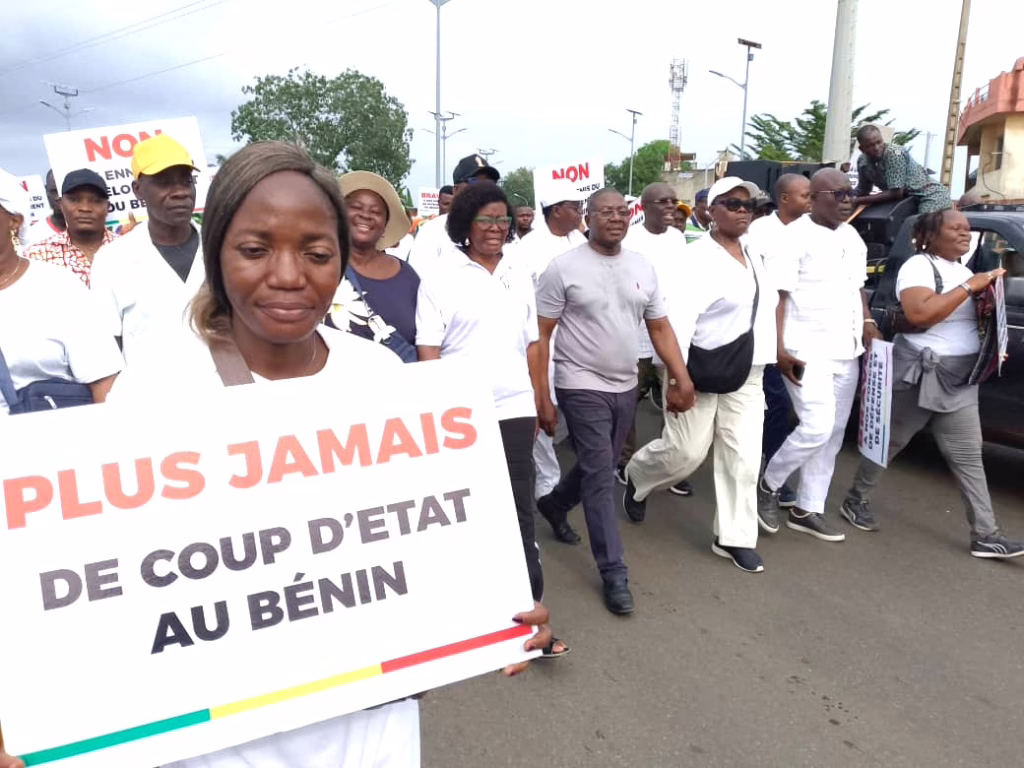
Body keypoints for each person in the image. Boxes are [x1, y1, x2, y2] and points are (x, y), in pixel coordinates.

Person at [0, 141, 554, 768]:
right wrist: (35, 707)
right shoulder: (153, 393)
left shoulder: (382, 377)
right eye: (255, 250)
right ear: (218, 256)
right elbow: (103, 585)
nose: (290, 275)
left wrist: (490, 612)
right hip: (222, 741)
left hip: (372, 727)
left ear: (341, 259)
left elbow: (427, 538)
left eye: (317, 253)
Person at [416, 181, 569, 658]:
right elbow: (429, 352)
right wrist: (440, 415)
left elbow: (533, 344)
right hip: (462, 416)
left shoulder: (517, 273)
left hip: (515, 408)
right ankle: (461, 613)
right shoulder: (441, 277)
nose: (496, 228)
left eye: (503, 220)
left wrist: (542, 398)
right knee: (465, 510)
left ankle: (529, 617)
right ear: (465, 224)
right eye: (485, 220)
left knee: (518, 511)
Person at [535, 187, 694, 615]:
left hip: (625, 384)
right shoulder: (562, 269)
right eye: (606, 211)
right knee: (602, 475)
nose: (616, 218)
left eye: (623, 211)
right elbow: (542, 336)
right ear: (588, 217)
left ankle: (552, 504)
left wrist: (681, 377)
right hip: (579, 381)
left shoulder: (642, 265)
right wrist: (542, 396)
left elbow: (659, 328)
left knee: (597, 464)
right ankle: (613, 571)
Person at [839, 210, 1024, 557]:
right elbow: (921, 314)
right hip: (922, 374)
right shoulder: (920, 267)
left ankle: (986, 534)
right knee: (890, 443)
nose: (965, 234)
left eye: (967, 229)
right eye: (955, 228)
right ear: (930, 236)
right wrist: (972, 287)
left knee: (969, 456)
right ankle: (855, 499)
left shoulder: (963, 270)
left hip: (960, 380)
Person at [623, 178, 776, 573]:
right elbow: (677, 324)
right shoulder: (695, 260)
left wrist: (781, 352)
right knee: (686, 453)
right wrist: (678, 379)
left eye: (749, 205)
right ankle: (638, 475)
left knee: (743, 458)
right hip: (699, 370)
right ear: (712, 210)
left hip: (749, 370)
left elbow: (765, 310)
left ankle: (733, 537)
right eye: (733, 204)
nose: (743, 211)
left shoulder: (756, 254)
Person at [758, 168, 879, 541]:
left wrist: (869, 319)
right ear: (814, 197)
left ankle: (807, 507)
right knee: (815, 426)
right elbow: (778, 296)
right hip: (805, 348)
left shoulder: (852, 236)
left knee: (833, 434)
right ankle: (768, 486)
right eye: (839, 194)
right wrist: (778, 349)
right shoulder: (793, 238)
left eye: (850, 194)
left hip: (847, 349)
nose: (847, 201)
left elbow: (858, 286)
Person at [0, 169, 122, 416]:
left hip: (50, 446)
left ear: (15, 220)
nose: (84, 208)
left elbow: (104, 385)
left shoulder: (58, 287)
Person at [90, 134, 205, 366]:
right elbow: (107, 348)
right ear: (138, 189)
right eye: (164, 182)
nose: (181, 191)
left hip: (231, 393)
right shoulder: (112, 260)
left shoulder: (223, 245)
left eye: (186, 181)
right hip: (151, 398)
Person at [615, 182, 692, 497]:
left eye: (674, 201)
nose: (671, 206)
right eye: (664, 201)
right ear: (645, 207)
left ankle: (668, 464)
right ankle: (624, 460)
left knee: (673, 401)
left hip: (672, 331)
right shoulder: (630, 240)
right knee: (629, 400)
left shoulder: (678, 238)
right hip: (637, 335)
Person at [513, 179, 588, 500]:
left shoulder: (580, 241)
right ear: (556, 211)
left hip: (581, 343)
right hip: (543, 341)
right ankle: (547, 488)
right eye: (576, 207)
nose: (581, 213)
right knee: (543, 410)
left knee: (566, 417)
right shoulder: (527, 249)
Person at [746, 173, 812, 515]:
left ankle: (771, 469)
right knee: (776, 403)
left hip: (803, 334)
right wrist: (775, 343)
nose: (811, 199)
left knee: (796, 411)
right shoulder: (760, 232)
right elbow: (759, 287)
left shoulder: (812, 232)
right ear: (785, 198)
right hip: (766, 332)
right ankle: (770, 472)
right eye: (805, 194)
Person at [325, 171, 418, 360]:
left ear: (385, 226)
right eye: (356, 207)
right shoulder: (318, 266)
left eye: (376, 212)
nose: (365, 215)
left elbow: (425, 338)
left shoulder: (407, 276)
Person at [407, 155, 500, 280]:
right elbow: (418, 283)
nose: (484, 189)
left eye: (489, 183)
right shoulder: (432, 231)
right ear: (456, 190)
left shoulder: (503, 230)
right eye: (475, 182)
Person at [25, 169, 113, 287]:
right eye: (74, 200)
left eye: (96, 201)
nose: (85, 208)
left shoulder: (129, 250)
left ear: (107, 207)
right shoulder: (36, 256)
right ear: (61, 204)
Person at [854, 125, 951, 214]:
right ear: (861, 149)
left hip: (929, 195)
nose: (876, 148)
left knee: (921, 226)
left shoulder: (895, 153)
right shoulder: (862, 161)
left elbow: (896, 193)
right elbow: (863, 190)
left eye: (879, 142)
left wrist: (858, 201)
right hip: (907, 201)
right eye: (870, 146)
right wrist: (845, 195)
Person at [23, 169, 67, 247]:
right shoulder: (32, 237)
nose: (58, 197)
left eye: (63, 191)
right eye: (54, 191)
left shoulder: (93, 231)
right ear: (46, 191)